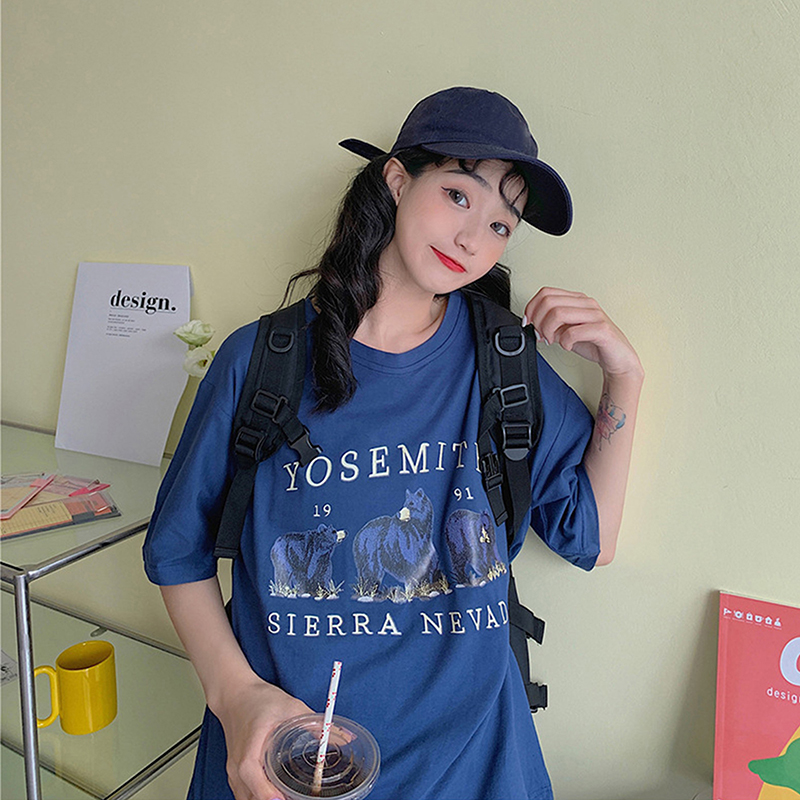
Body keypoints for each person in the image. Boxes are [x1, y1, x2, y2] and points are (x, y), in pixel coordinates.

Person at [143, 86, 644, 800]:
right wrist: (236, 697)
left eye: (502, 224)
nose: (473, 239)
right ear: (398, 179)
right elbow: (176, 552)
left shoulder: (503, 361)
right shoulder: (261, 361)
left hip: (477, 767)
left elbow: (590, 537)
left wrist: (625, 377)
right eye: (458, 195)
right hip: (288, 764)